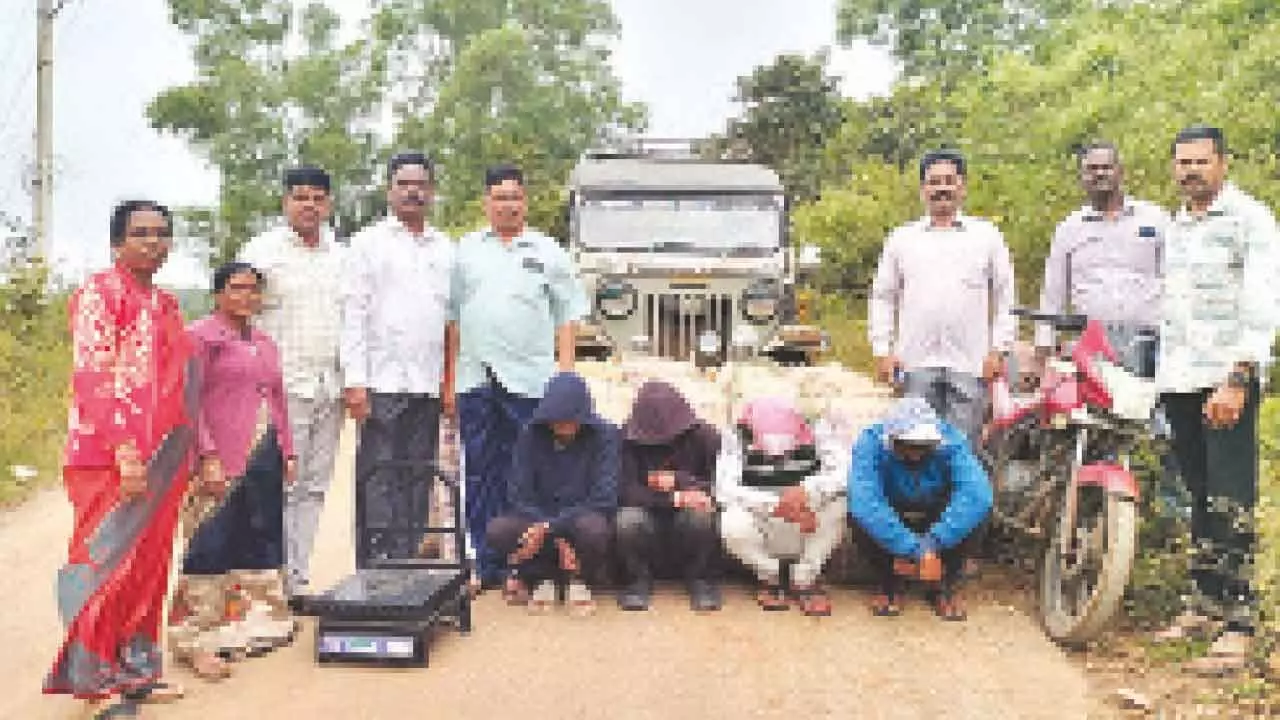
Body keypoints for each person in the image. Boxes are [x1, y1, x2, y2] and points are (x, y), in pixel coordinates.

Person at [44, 200, 198, 714]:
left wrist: (185, 454)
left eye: (161, 233)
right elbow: (93, 377)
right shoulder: (99, 295)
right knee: (103, 563)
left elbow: (179, 384)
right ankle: (94, 680)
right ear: (117, 243)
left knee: (150, 568)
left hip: (163, 456)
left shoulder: (167, 304)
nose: (153, 242)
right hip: (107, 457)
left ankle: (138, 672)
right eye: (140, 234)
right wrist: (125, 452)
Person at [1152, 124, 1279, 676]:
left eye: (1200, 162)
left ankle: (1241, 621)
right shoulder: (1176, 226)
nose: (1190, 172)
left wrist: (1239, 376)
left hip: (1225, 380)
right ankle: (1204, 603)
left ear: (1223, 164)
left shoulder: (1250, 220)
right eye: (1182, 163)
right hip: (1180, 379)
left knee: (1231, 497)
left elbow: (1261, 303)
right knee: (1197, 494)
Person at [451, 163, 589, 591]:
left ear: (524, 202)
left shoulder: (547, 251)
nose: (508, 204)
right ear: (486, 203)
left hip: (531, 382)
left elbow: (567, 316)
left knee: (527, 472)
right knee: (478, 471)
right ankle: (483, 561)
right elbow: (452, 320)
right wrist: (448, 379)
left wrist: (564, 377)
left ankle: (524, 566)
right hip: (476, 380)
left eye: (515, 197)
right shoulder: (466, 251)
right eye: (499, 197)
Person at [167, 262, 298, 681]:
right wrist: (206, 455)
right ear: (218, 294)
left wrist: (288, 451)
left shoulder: (263, 341)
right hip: (219, 458)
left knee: (258, 536)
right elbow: (188, 401)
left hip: (263, 455)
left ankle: (252, 628)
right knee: (210, 543)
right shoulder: (200, 337)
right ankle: (194, 640)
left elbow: (276, 398)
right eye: (236, 288)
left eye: (253, 289)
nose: (246, 296)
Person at [342, 152, 455, 568]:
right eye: (404, 183)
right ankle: (374, 567)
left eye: (421, 184)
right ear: (389, 191)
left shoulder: (445, 248)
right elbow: (353, 313)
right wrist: (355, 381)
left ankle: (406, 562)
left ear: (432, 191)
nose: (413, 191)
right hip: (381, 382)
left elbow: (449, 322)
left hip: (425, 382)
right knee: (379, 476)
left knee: (418, 476)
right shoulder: (368, 243)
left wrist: (447, 383)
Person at [237, 166, 345, 602]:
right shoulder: (262, 253)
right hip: (281, 390)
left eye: (318, 198)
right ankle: (267, 582)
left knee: (315, 486)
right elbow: (240, 314)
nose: (309, 205)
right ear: (285, 202)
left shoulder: (341, 254)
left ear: (329, 204)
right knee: (279, 486)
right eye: (300, 197)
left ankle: (297, 581)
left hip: (329, 388)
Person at [868, 149, 1017, 446]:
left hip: (970, 363)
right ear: (923, 189)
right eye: (934, 182)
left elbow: (1005, 296)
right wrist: (882, 350)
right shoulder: (902, 238)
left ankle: (963, 494)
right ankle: (920, 495)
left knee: (963, 449)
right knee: (915, 446)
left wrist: (998, 350)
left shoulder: (985, 235)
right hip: (915, 364)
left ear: (962, 187)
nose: (942, 189)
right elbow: (883, 296)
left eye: (949, 181)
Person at [847, 397, 993, 622]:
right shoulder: (870, 442)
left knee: (979, 513)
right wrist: (914, 550)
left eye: (924, 446)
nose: (915, 453)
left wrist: (933, 542)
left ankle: (943, 584)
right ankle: (889, 581)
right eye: (907, 446)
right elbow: (865, 502)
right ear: (891, 439)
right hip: (893, 510)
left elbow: (978, 495)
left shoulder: (951, 441)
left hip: (936, 512)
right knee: (858, 515)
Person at [485, 372, 617, 615]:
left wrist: (550, 528)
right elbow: (519, 494)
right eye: (557, 420)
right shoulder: (530, 435)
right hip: (538, 517)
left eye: (570, 419)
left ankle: (578, 578)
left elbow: (604, 498)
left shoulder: (605, 435)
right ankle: (542, 577)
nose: (563, 426)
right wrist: (553, 535)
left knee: (595, 530)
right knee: (498, 531)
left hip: (580, 517)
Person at [1035, 142, 1168, 378]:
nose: (1099, 173)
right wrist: (1044, 349)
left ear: (1120, 171)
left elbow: (1177, 280)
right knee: (1093, 413)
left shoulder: (1156, 219)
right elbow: (1053, 294)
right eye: (1091, 168)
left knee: (1150, 412)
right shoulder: (1069, 229)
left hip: (1151, 344)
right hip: (1091, 346)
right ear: (1081, 176)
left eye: (1106, 167)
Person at [718, 397, 849, 617]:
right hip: (763, 517)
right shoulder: (737, 435)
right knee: (730, 522)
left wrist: (808, 491)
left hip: (807, 518)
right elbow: (724, 488)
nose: (777, 451)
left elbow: (844, 473)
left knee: (841, 504)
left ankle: (805, 579)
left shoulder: (818, 429)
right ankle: (771, 576)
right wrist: (775, 505)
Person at [615, 379, 723, 612]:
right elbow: (624, 490)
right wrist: (673, 499)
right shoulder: (626, 439)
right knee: (627, 520)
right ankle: (637, 579)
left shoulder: (706, 437)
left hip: (689, 521)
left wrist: (680, 481)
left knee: (701, 515)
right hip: (647, 516)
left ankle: (700, 579)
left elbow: (721, 486)